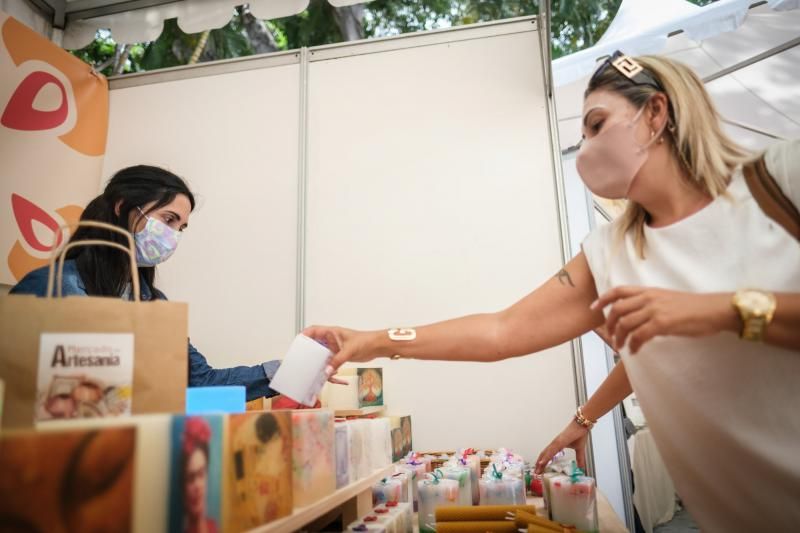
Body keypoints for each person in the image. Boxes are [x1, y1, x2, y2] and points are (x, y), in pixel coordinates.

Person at [303, 52, 800, 531]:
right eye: (581, 133)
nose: (585, 147)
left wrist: (729, 311)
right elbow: (500, 331)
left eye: (597, 124)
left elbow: (704, 321)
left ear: (655, 112)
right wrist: (373, 340)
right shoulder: (612, 254)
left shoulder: (780, 179)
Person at [10, 165, 280, 401]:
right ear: (123, 207)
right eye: (168, 219)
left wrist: (285, 370)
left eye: (181, 228)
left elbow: (199, 382)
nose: (173, 235)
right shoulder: (51, 286)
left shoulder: (154, 303)